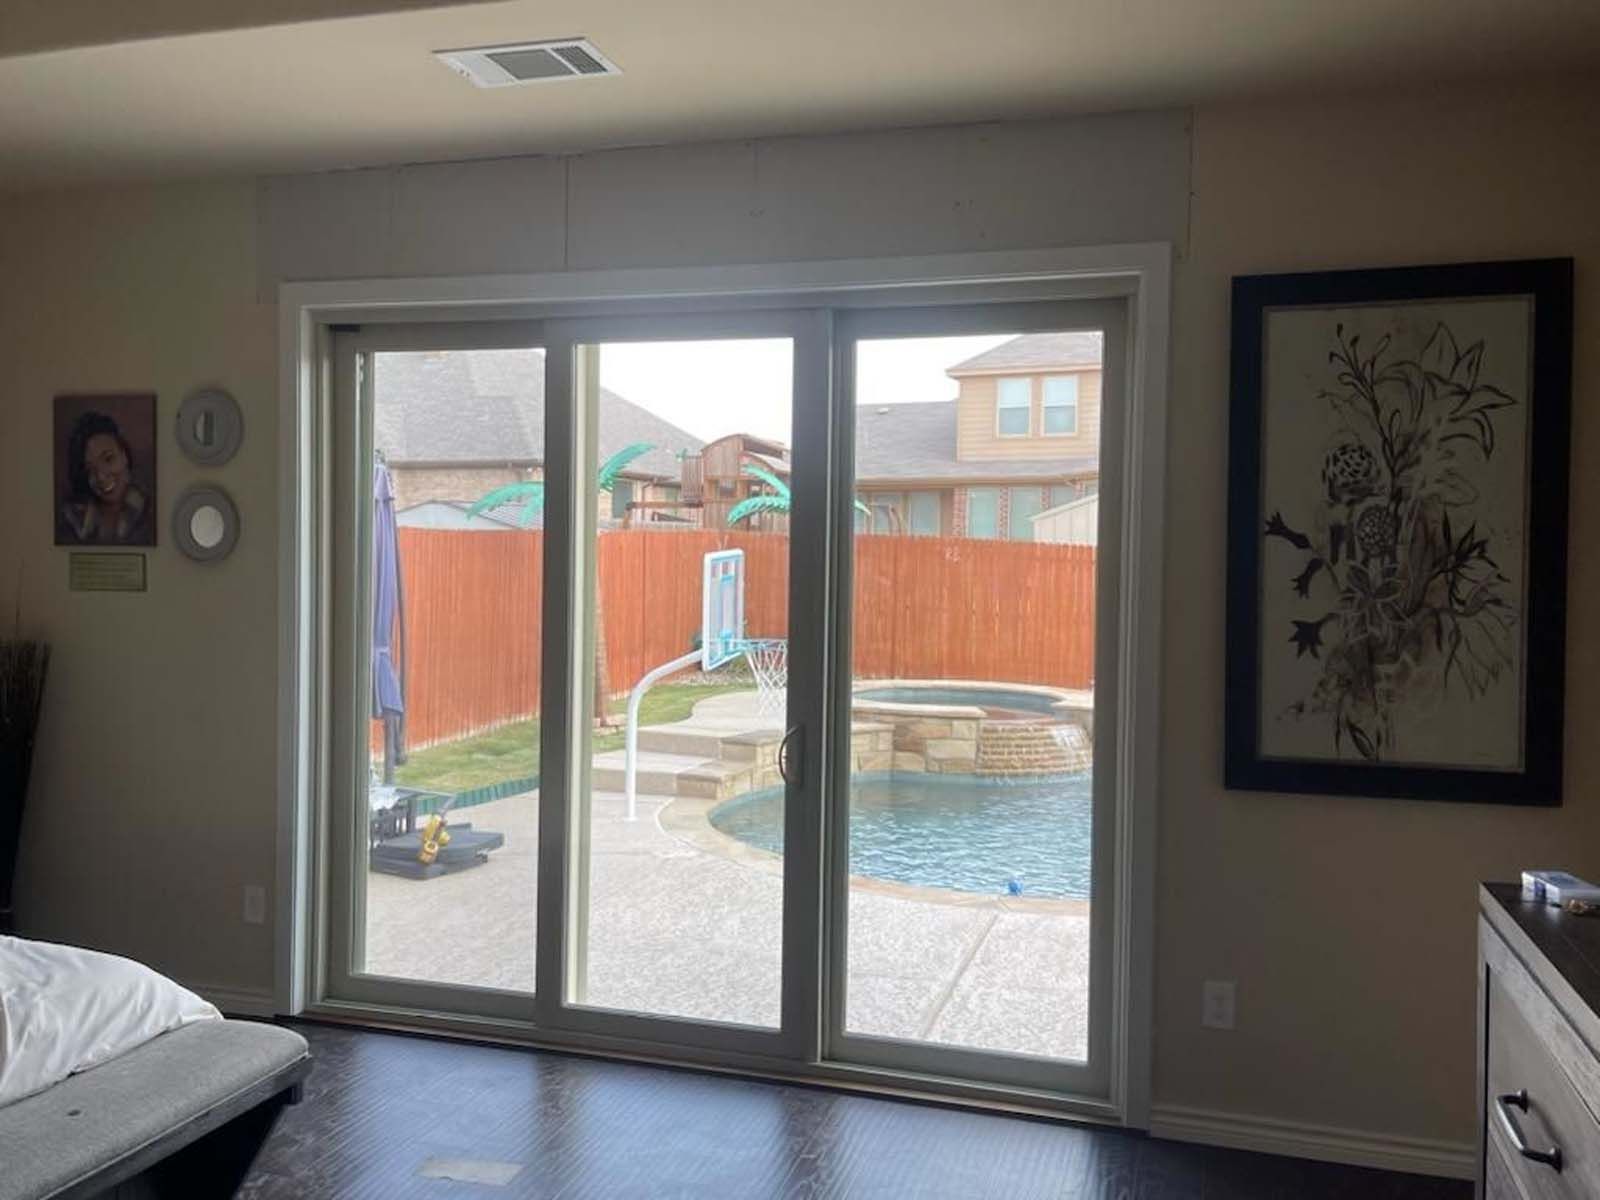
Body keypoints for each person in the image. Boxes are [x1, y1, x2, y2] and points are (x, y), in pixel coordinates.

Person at [57, 411, 152, 545]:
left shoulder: (150, 511)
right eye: (90, 469)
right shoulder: (73, 519)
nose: (101, 477)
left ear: (124, 455)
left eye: (108, 459)